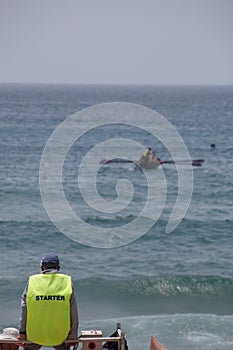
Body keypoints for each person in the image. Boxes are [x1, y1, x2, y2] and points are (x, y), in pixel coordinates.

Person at [19, 253, 78, 350]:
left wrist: (22, 332)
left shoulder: (32, 281)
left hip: (35, 334)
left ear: (41, 267)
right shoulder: (66, 281)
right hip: (60, 335)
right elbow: (73, 312)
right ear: (58, 268)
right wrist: (73, 335)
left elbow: (24, 307)